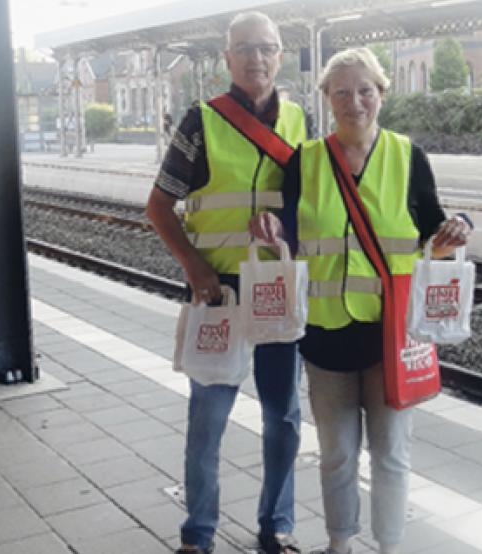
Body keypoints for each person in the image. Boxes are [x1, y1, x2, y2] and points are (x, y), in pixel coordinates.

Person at [249, 48, 471, 554]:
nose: (355, 102)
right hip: (326, 337)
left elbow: (434, 225)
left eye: (365, 90)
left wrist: (461, 227)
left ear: (382, 95)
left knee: (391, 453)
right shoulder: (304, 161)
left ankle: (390, 546)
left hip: (392, 335)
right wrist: (267, 229)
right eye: (342, 92)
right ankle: (339, 543)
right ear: (327, 99)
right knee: (336, 455)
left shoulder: (406, 156)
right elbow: (286, 229)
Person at [145, 11, 307, 554]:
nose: (256, 58)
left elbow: (310, 205)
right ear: (227, 59)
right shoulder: (201, 121)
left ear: (281, 54)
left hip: (276, 288)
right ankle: (198, 533)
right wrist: (194, 268)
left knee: (282, 416)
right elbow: (159, 204)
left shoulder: (301, 123)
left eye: (266, 47)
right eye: (244, 48)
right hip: (220, 294)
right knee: (208, 418)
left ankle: (276, 526)